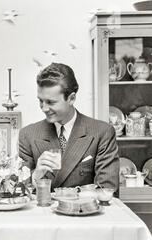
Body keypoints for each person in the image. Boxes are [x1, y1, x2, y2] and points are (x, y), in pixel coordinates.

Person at [19, 63, 119, 192]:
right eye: (40, 101)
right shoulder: (28, 135)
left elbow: (107, 191)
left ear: (71, 98)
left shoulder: (102, 132)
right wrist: (36, 176)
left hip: (82, 211)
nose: (44, 108)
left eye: (51, 102)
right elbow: (17, 191)